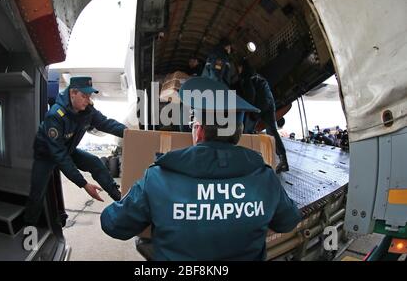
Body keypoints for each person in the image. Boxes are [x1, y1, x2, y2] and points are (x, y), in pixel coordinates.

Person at [100, 77, 301, 261]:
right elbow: (288, 221)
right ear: (238, 134)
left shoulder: (158, 177)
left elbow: (113, 224)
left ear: (199, 130)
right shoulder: (265, 179)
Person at [24, 76, 126, 227]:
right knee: (37, 193)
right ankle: (30, 227)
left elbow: (106, 124)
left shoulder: (87, 111)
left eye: (89, 96)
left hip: (67, 149)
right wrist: (84, 184)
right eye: (84, 96)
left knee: (95, 162)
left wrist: (130, 133)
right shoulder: (55, 115)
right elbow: (60, 157)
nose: (87, 100)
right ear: (73, 93)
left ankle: (120, 198)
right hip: (46, 155)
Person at [244, 73, 289, 173]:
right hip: (269, 102)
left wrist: (253, 114)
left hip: (260, 103)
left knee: (247, 131)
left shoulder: (246, 78)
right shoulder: (259, 77)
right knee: (272, 132)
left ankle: (247, 160)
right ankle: (283, 160)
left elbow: (250, 95)